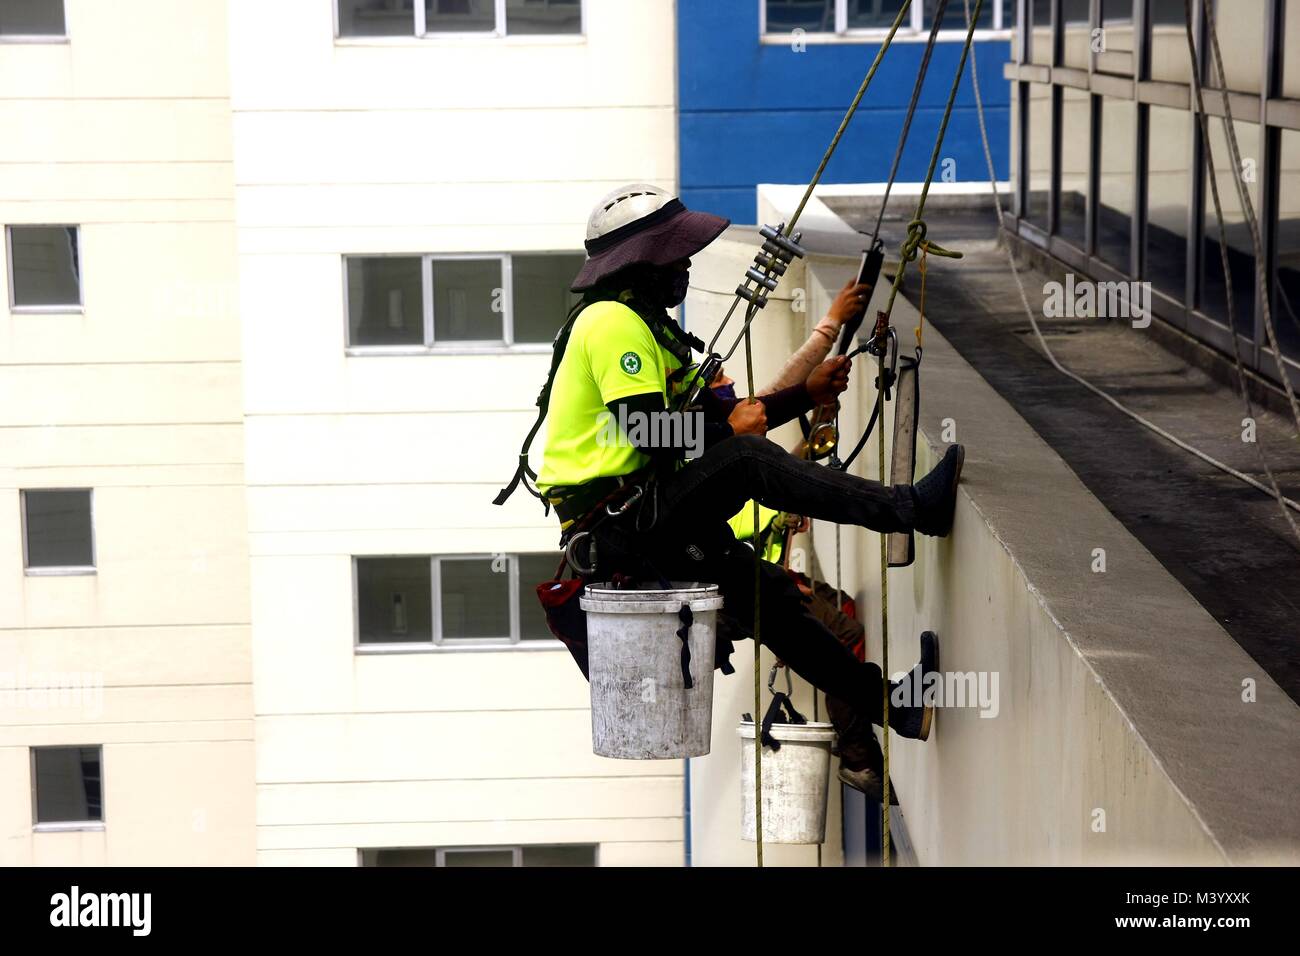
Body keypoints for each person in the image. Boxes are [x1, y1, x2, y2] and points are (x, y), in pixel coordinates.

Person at [508, 184, 964, 798]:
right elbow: (649, 430)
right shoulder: (611, 323)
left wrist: (802, 396)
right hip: (622, 528)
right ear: (642, 264)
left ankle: (895, 708)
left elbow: (702, 420)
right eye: (675, 258)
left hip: (641, 522)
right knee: (747, 460)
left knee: (772, 603)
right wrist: (727, 429)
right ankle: (914, 511)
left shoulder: (641, 326)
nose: (686, 267)